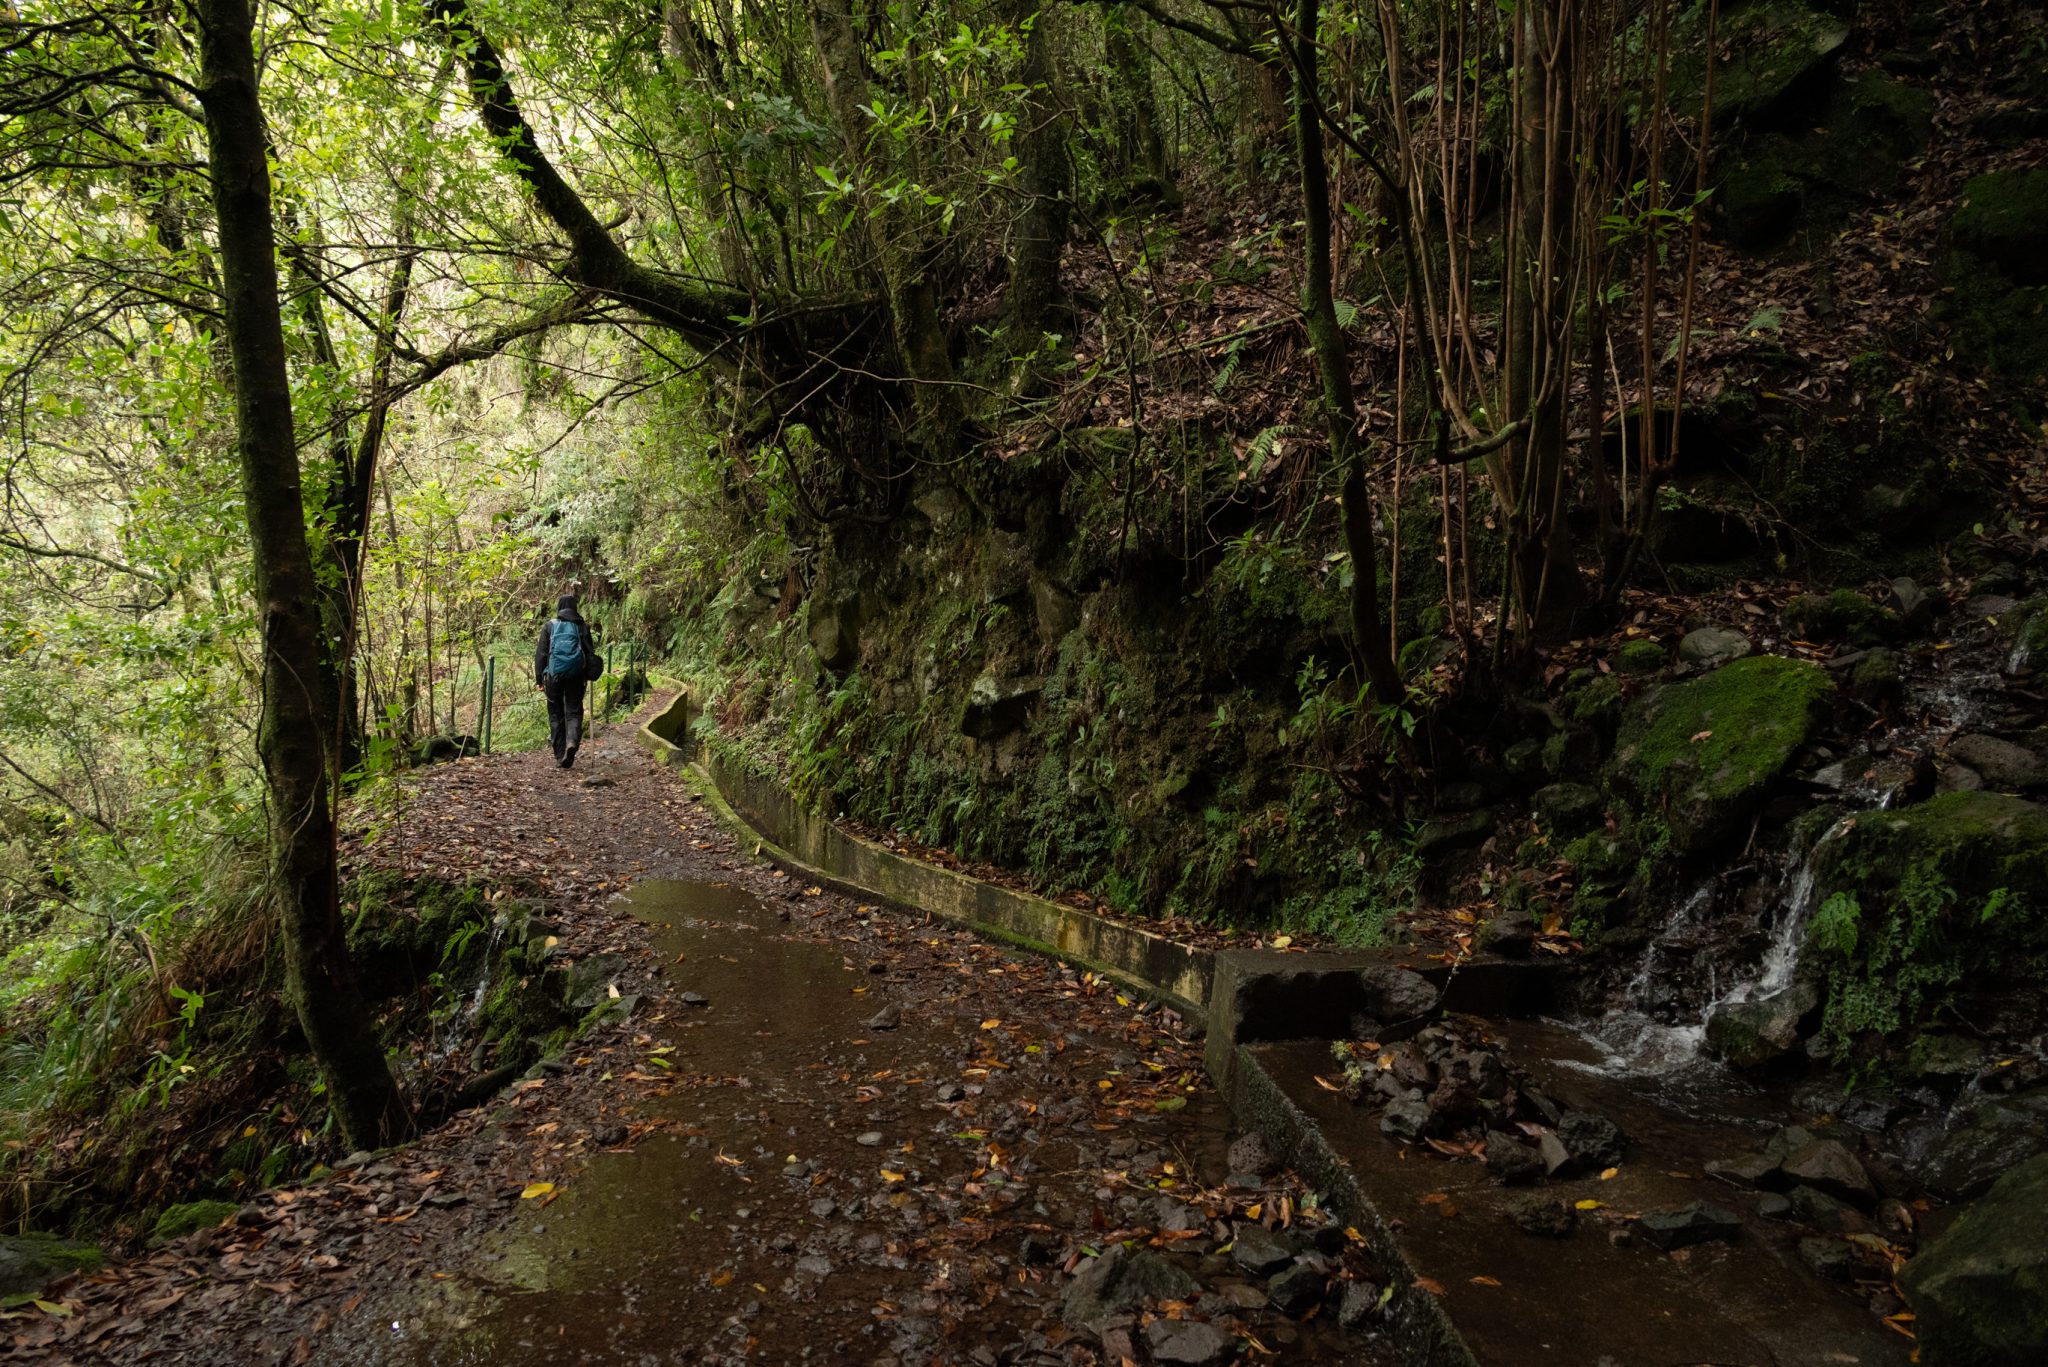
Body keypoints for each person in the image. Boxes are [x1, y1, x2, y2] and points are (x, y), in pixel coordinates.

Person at [534, 593, 596, 768]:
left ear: (559, 607)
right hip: (576, 676)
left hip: (554, 677)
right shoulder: (581, 626)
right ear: (575, 607)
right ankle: (572, 743)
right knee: (574, 711)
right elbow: (589, 652)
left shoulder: (550, 626)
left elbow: (541, 654)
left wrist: (539, 678)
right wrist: (590, 672)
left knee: (555, 714)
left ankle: (560, 753)